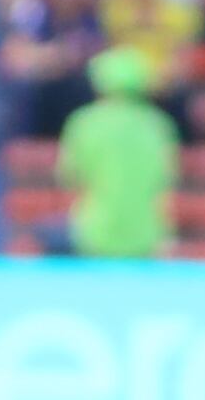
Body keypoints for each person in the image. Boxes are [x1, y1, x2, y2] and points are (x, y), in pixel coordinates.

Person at [54, 46, 181, 260]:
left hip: (94, 233)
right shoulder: (159, 125)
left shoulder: (83, 123)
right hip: (148, 234)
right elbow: (167, 182)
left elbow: (69, 177)